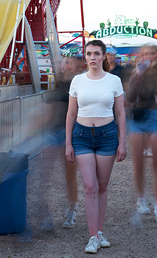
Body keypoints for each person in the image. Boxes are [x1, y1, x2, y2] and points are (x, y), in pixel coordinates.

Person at [65, 40, 126, 254]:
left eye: (96, 54)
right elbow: (71, 113)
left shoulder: (114, 81)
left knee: (102, 186)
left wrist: (122, 142)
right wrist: (68, 143)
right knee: (90, 186)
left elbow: (120, 113)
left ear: (103, 56)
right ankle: (92, 236)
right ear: (85, 57)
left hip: (107, 135)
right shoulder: (77, 81)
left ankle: (99, 232)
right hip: (81, 135)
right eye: (88, 53)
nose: (92, 57)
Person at [126, 44, 157, 223]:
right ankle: (141, 199)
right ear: (141, 56)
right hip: (138, 118)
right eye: (146, 54)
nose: (149, 56)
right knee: (138, 163)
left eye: (152, 53)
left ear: (156, 56)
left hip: (155, 117)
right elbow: (129, 97)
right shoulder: (135, 75)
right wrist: (138, 75)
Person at [56, 56, 85, 229]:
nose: (65, 65)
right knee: (69, 172)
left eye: (69, 62)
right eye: (64, 62)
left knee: (84, 171)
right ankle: (72, 206)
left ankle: (77, 206)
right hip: (62, 131)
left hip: (81, 130)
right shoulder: (60, 81)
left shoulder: (83, 81)